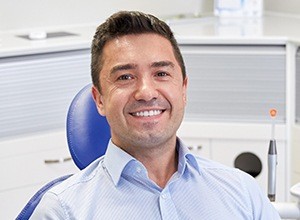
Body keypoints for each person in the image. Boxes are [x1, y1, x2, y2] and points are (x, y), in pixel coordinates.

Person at [30, 11, 280, 219]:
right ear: (100, 100)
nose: (146, 92)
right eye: (125, 77)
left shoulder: (242, 192)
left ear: (183, 89)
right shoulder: (62, 211)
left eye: (161, 73)